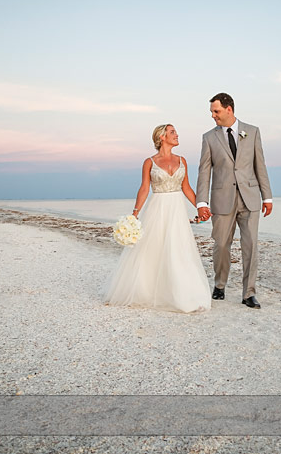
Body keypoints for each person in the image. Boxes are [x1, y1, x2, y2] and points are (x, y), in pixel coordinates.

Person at [103, 124, 211, 313]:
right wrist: (135, 213)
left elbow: (186, 188)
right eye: (172, 132)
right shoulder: (149, 162)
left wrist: (202, 207)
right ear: (162, 137)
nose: (176, 134)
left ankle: (185, 293)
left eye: (176, 131)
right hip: (157, 208)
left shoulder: (182, 160)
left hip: (176, 209)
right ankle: (149, 291)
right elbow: (145, 188)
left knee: (179, 249)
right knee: (153, 249)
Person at [196, 93, 272, 309]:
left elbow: (260, 166)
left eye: (216, 111)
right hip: (222, 199)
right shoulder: (209, 137)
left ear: (229, 109)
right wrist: (202, 202)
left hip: (250, 198)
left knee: (251, 246)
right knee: (221, 245)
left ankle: (249, 293)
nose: (213, 116)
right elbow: (204, 171)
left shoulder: (253, 131)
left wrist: (267, 196)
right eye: (212, 112)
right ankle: (220, 284)